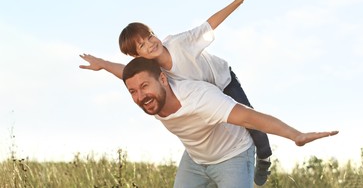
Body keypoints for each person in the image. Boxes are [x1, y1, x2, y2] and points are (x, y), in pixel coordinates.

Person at [79, 0, 274, 185]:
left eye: (150, 37)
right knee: (217, 128)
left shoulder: (180, 43)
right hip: (204, 98)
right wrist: (102, 64)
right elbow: (125, 72)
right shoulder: (152, 69)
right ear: (137, 56)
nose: (151, 44)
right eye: (142, 45)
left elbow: (208, 25)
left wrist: (237, 2)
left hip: (222, 81)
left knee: (250, 119)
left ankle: (264, 157)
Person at [120, 57, 338, 187]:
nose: (140, 96)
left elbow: (251, 117)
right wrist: (102, 64)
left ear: (163, 79)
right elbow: (122, 72)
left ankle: (262, 164)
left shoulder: (200, 99)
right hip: (196, 159)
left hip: (231, 155)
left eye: (144, 86)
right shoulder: (150, 95)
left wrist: (296, 135)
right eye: (133, 91)